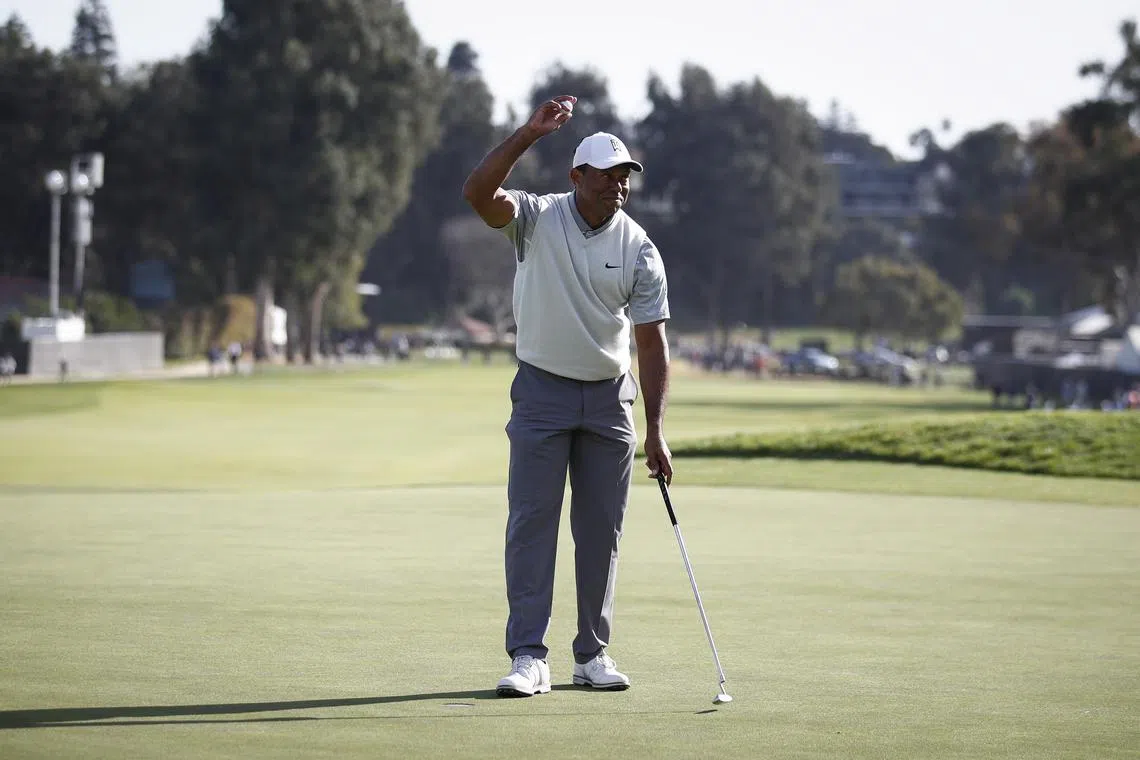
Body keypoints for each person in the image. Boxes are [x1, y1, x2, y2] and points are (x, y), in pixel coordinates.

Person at [463, 95, 673, 698]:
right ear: (576, 176)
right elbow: (477, 194)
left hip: (609, 401)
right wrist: (530, 132)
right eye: (606, 175)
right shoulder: (535, 217)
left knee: (601, 531)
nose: (618, 186)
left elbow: (652, 345)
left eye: (624, 176)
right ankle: (529, 656)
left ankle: (591, 654)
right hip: (541, 392)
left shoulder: (640, 249)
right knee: (532, 525)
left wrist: (655, 429)